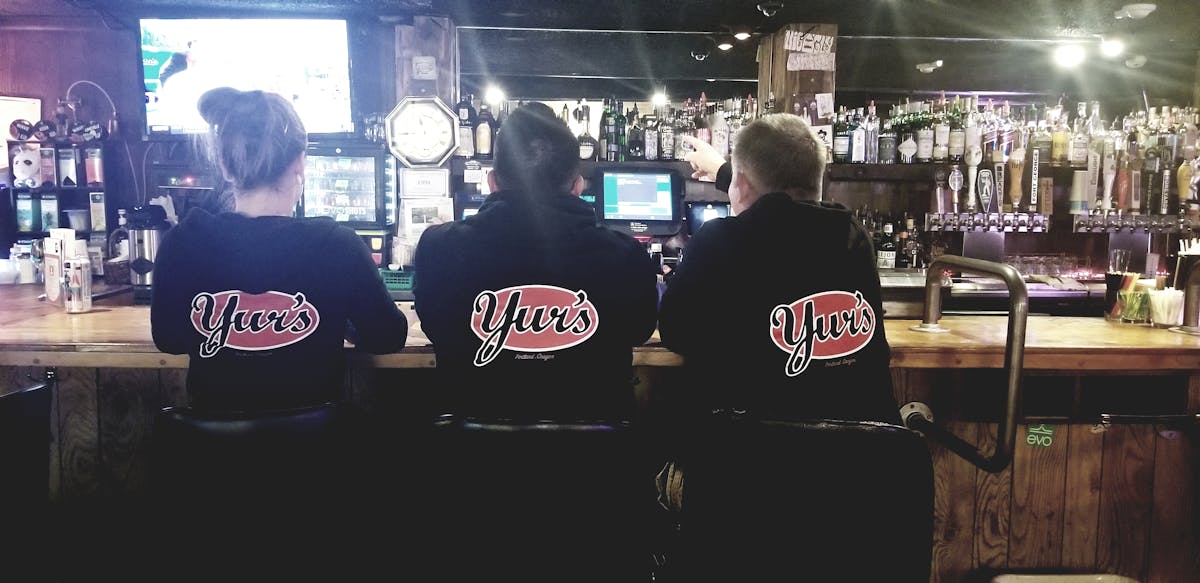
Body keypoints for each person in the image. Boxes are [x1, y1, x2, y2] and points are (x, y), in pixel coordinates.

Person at [655, 117, 901, 515]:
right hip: (853, 486)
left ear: (742, 184)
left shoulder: (718, 239)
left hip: (744, 483)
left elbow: (676, 332)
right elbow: (786, 213)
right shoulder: (853, 236)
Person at [151, 87, 408, 412]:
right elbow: (389, 336)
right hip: (314, 453)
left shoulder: (183, 242)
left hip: (214, 458)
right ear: (301, 162)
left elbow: (169, 339)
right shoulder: (337, 245)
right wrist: (340, 319)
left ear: (225, 165)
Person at [412, 102, 660, 421]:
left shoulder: (438, 248)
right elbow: (640, 331)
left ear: (492, 182)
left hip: (471, 462)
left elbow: (434, 327)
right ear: (577, 186)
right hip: (596, 464)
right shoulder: (625, 257)